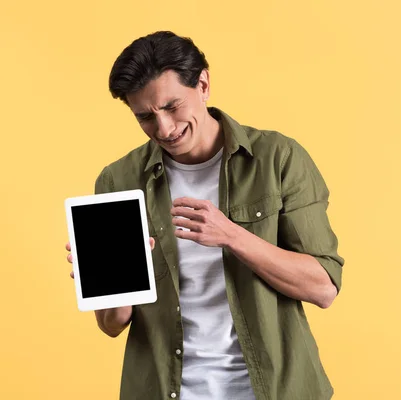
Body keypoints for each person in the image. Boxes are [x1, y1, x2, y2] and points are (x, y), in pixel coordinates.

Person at [65, 31, 344, 400]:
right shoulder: (118, 180)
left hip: (272, 389)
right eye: (145, 117)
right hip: (167, 389)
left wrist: (231, 235)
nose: (164, 128)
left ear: (203, 84)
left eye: (172, 106)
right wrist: (106, 275)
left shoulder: (278, 158)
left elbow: (323, 287)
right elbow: (113, 324)